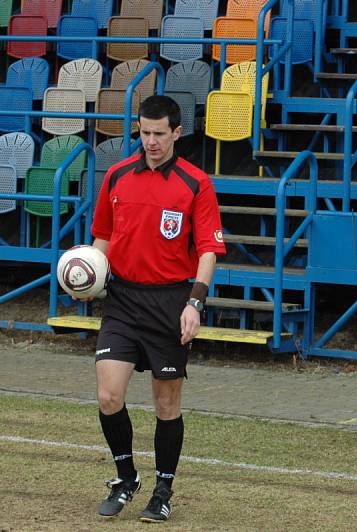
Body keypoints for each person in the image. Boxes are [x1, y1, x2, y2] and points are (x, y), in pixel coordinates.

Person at [90, 95, 226, 522]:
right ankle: (126, 477)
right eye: (144, 133)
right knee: (108, 395)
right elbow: (102, 240)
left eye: (158, 134)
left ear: (176, 133)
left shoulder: (196, 183)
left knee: (166, 406)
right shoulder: (115, 176)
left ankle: (163, 488)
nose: (150, 141)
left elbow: (208, 250)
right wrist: (88, 276)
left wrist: (195, 304)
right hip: (123, 300)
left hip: (170, 303)